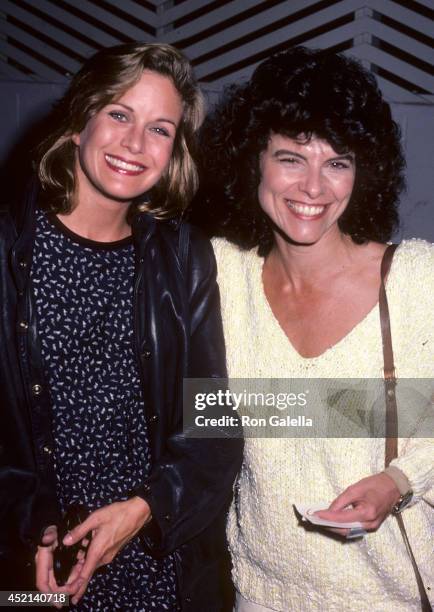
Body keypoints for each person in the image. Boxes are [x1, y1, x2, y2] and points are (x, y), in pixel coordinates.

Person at [0, 42, 242, 611]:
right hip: (34, 565)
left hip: (151, 558)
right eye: (119, 114)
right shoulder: (8, 252)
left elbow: (213, 421)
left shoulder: (185, 258)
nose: (135, 144)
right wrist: (26, 525)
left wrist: (147, 508)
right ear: (80, 118)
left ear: (174, 150)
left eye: (160, 129)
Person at [191, 47, 433, 611]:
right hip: (260, 592)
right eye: (292, 158)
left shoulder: (414, 279)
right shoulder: (223, 274)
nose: (314, 187)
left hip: (389, 597)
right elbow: (201, 413)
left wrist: (398, 480)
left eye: (337, 162)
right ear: (254, 160)